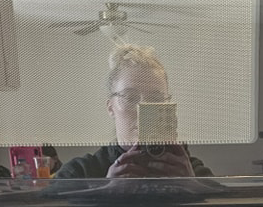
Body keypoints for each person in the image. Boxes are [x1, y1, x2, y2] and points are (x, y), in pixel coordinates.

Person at [55, 45, 213, 179]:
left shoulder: (191, 171)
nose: (143, 108)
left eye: (156, 99)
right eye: (130, 97)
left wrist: (192, 186)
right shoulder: (79, 173)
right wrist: (104, 192)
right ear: (111, 108)